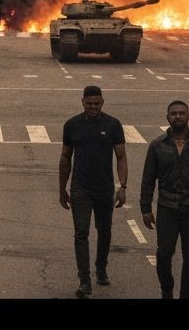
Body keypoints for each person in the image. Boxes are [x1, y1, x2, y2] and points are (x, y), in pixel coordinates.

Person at [139, 100, 189, 300]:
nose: (177, 116)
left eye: (181, 113)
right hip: (167, 208)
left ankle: (185, 294)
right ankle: (167, 289)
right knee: (164, 254)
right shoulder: (157, 146)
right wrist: (145, 208)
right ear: (167, 118)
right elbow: (148, 179)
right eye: (173, 113)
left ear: (188, 117)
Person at [59, 85, 128, 297]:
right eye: (89, 103)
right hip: (80, 188)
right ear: (82, 102)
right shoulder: (72, 125)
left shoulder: (113, 125)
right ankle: (84, 279)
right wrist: (62, 188)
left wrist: (122, 186)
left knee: (104, 230)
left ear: (102, 102)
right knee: (81, 233)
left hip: (104, 188)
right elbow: (65, 157)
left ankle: (101, 268)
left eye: (96, 103)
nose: (93, 107)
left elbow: (121, 157)